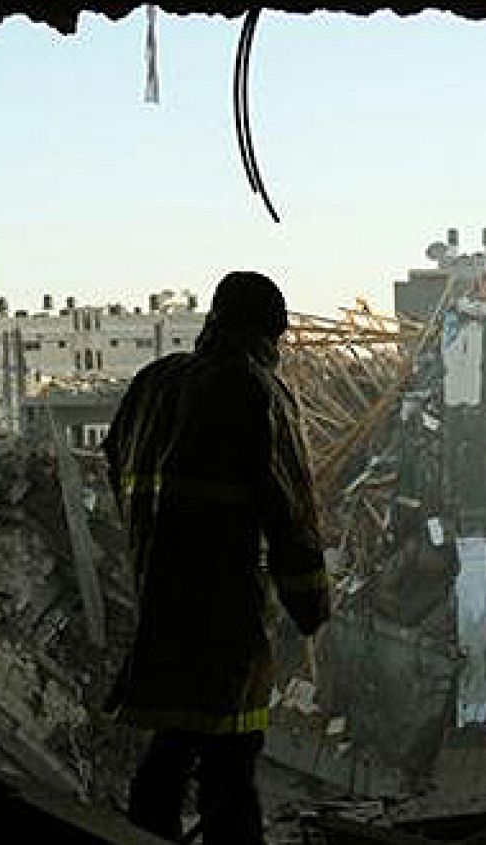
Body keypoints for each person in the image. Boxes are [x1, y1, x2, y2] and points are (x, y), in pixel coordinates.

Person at [102, 271, 330, 845]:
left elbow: (112, 464)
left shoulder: (152, 383)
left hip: (157, 600)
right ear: (265, 334)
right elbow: (290, 508)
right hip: (224, 608)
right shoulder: (254, 389)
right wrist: (310, 603)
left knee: (171, 745)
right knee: (230, 760)